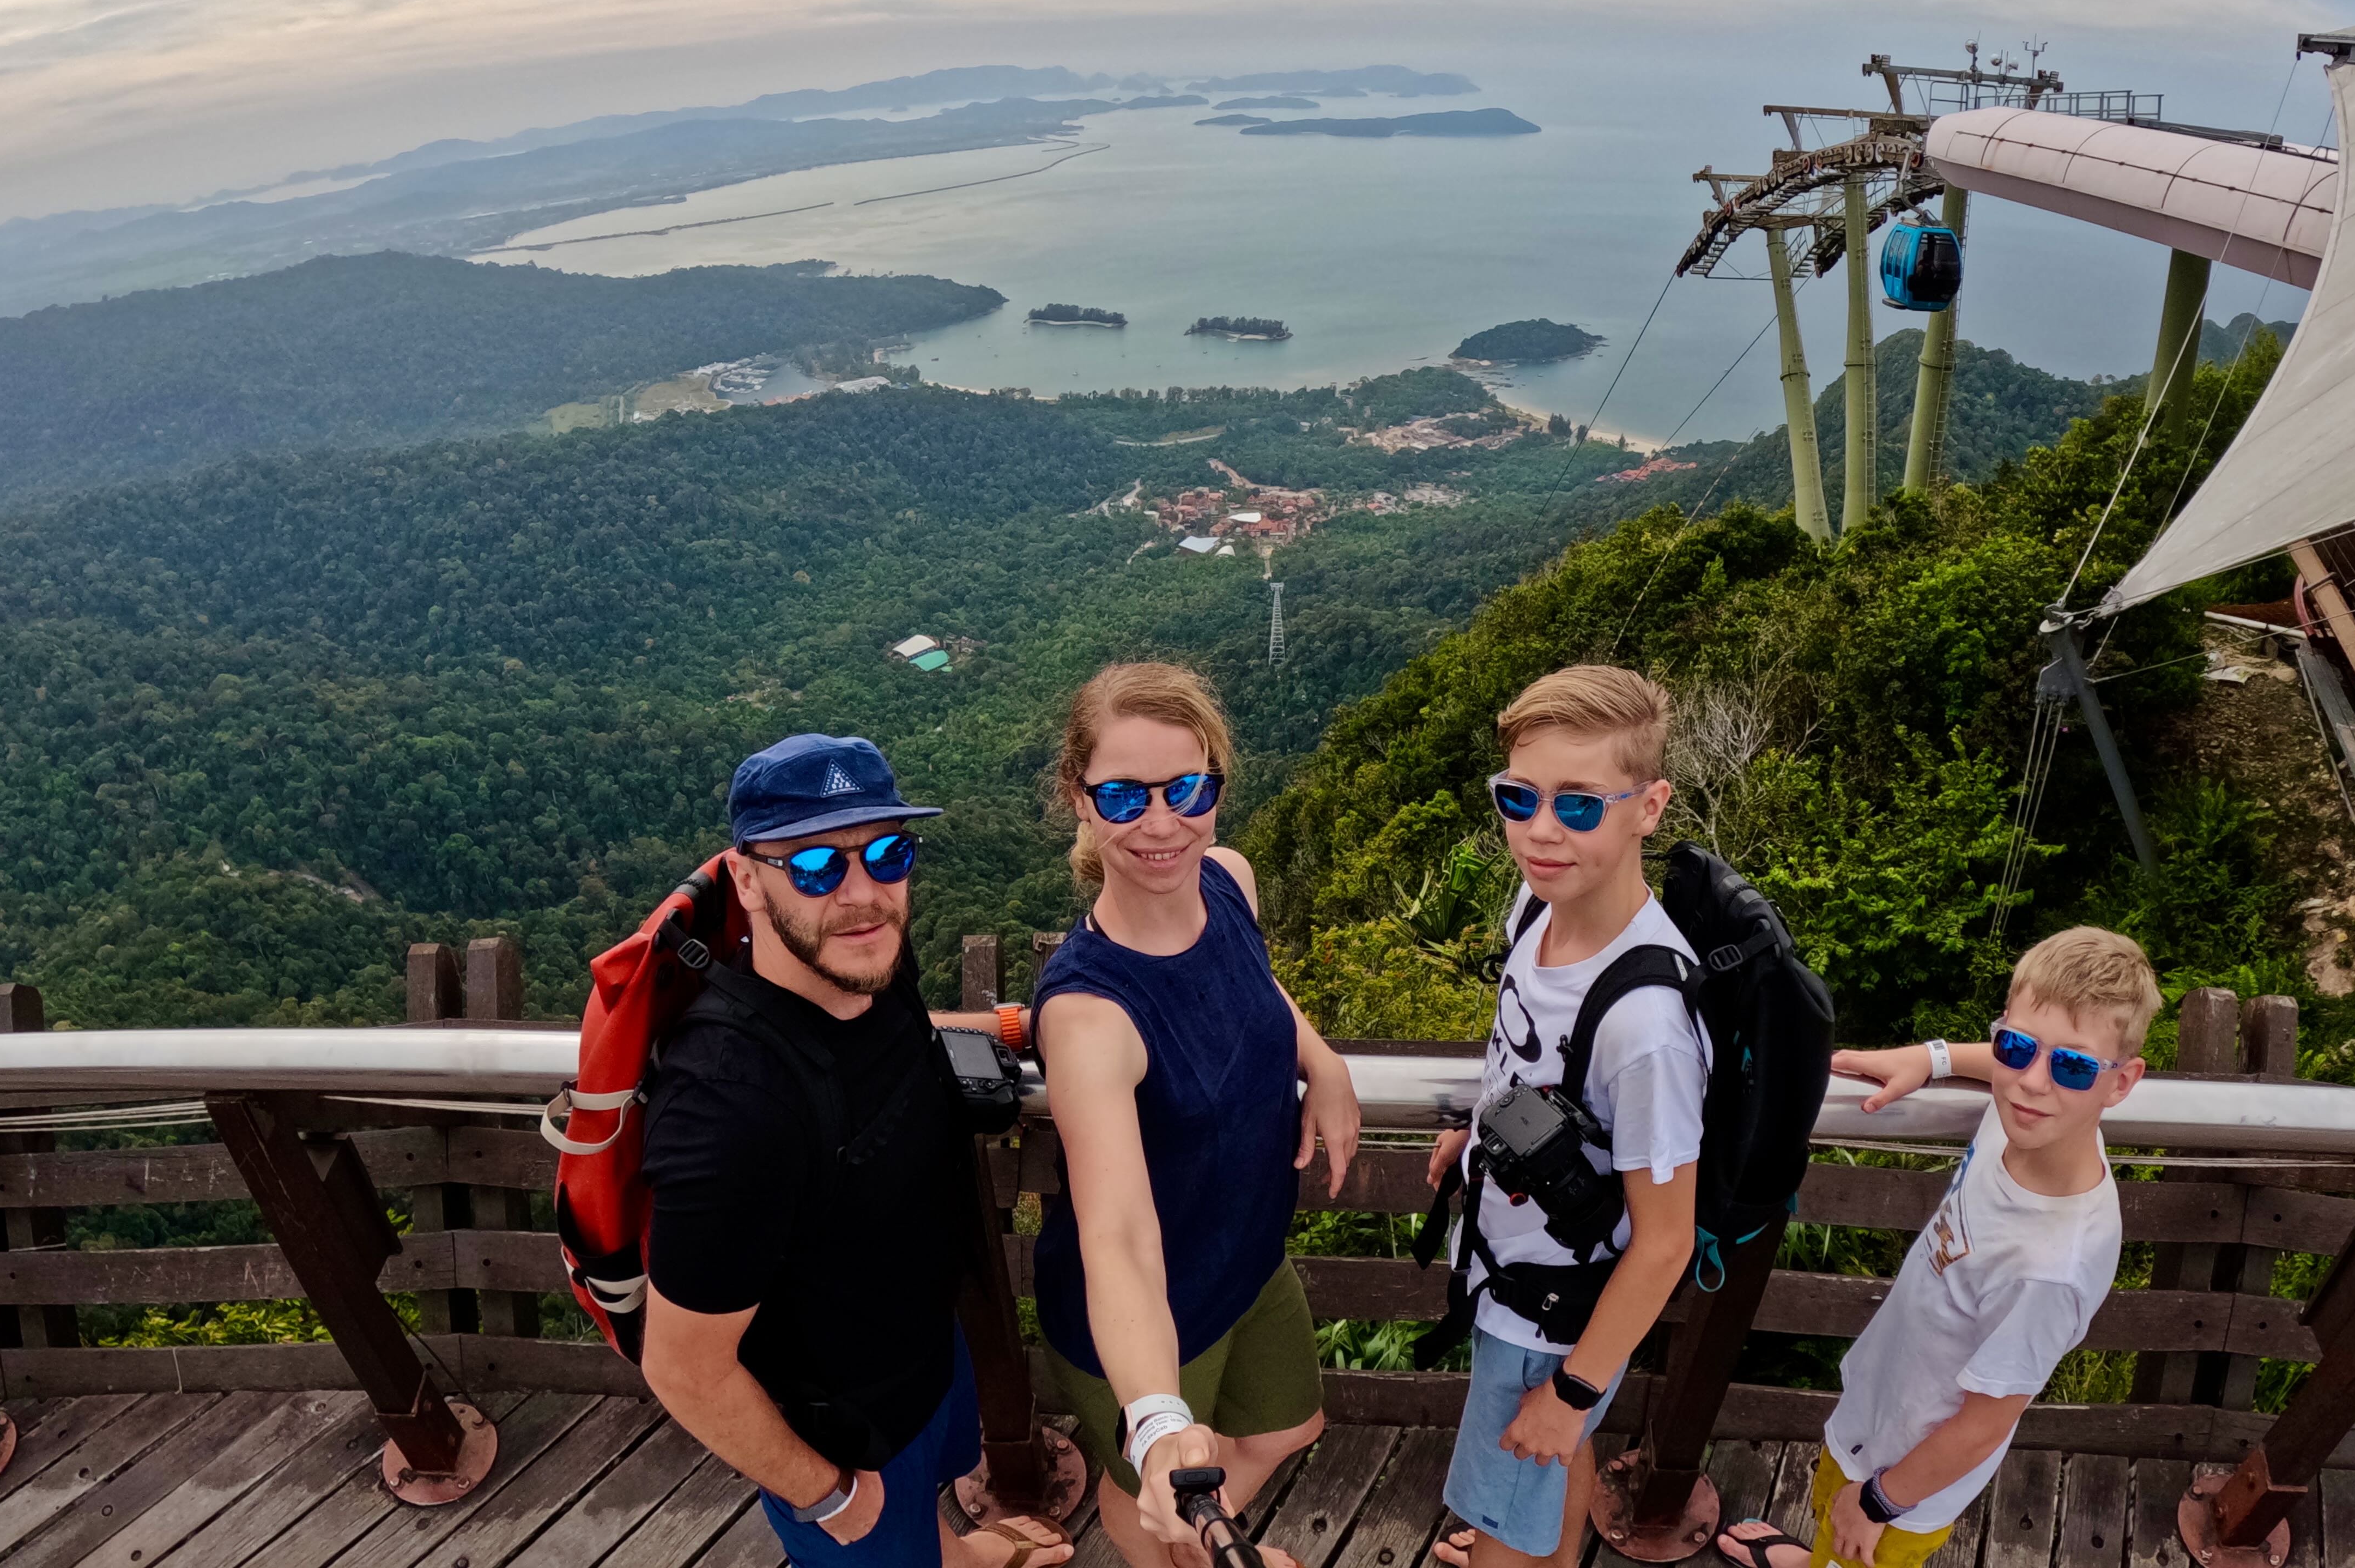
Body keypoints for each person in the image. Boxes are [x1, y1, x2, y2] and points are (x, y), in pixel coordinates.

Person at [640, 732, 1076, 1568]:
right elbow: (685, 1368)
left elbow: (902, 1036)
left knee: (930, 1511)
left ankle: (955, 1554)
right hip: (837, 1431)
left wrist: (1025, 1027)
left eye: (887, 851)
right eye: (814, 865)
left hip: (922, 1349)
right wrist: (825, 1494)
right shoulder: (729, 1107)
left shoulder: (871, 961)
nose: (861, 892)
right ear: (746, 879)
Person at [1030, 663, 1361, 1568]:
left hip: (1244, 1255)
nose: (1163, 822)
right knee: (1163, 1492)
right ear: (1079, 797)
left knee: (1292, 1422)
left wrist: (1316, 1052)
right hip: (1145, 1313)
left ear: (1214, 781)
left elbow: (1244, 982)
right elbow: (1118, 1235)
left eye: (1186, 787)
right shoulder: (1090, 1016)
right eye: (1125, 795)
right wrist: (1157, 1414)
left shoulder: (1226, 880)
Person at [1718, 927, 2158, 1568]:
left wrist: (1878, 1504)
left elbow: (1985, 1423)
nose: (2031, 1081)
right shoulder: (2030, 1114)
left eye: (2073, 1065)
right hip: (1878, 1412)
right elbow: (2013, 1063)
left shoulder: (2052, 1268)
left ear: (2121, 1083)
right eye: (2016, 1046)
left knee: (1851, 1538)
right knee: (1827, 1517)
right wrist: (1932, 1058)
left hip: (1904, 1483)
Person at [1428, 666, 1709, 1568]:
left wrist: (1573, 1387)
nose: (1540, 831)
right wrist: (1472, 1130)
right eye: (1519, 797)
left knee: (1502, 1528)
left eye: (1579, 804)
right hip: (1520, 1271)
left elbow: (1665, 1239)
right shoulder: (1536, 904)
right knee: (1546, 1477)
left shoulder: (1646, 1023)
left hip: (1547, 1316)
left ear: (1648, 805)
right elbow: (1524, 1052)